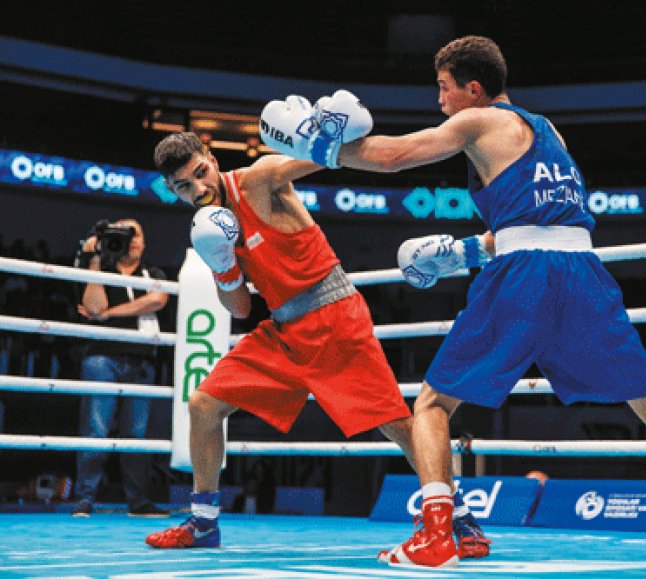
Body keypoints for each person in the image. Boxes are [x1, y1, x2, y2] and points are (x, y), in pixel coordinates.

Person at [260, 35, 646, 570]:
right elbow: (541, 224)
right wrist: (462, 252)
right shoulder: (548, 132)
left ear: (473, 89)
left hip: (526, 277)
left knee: (430, 406)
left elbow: (395, 157)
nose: (440, 100)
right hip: (582, 273)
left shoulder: (478, 120)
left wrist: (318, 146)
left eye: (444, 89)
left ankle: (436, 537)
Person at [145, 132, 489, 557]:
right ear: (172, 190)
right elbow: (237, 308)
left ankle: (459, 519)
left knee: (395, 423)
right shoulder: (208, 228)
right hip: (284, 330)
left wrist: (330, 131)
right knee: (203, 405)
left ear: (211, 160)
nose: (198, 189)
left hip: (334, 317)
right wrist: (222, 264)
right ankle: (203, 523)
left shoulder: (258, 179)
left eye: (200, 174)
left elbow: (324, 159)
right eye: (183, 186)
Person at [72, 219, 170, 518]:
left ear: (143, 240)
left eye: (135, 233)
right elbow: (94, 304)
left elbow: (156, 300)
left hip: (141, 361)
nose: (131, 239)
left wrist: (108, 315)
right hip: (102, 357)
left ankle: (138, 502)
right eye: (123, 234)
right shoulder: (100, 270)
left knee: (137, 435)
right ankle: (85, 499)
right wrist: (96, 260)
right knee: (95, 429)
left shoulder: (152, 273)